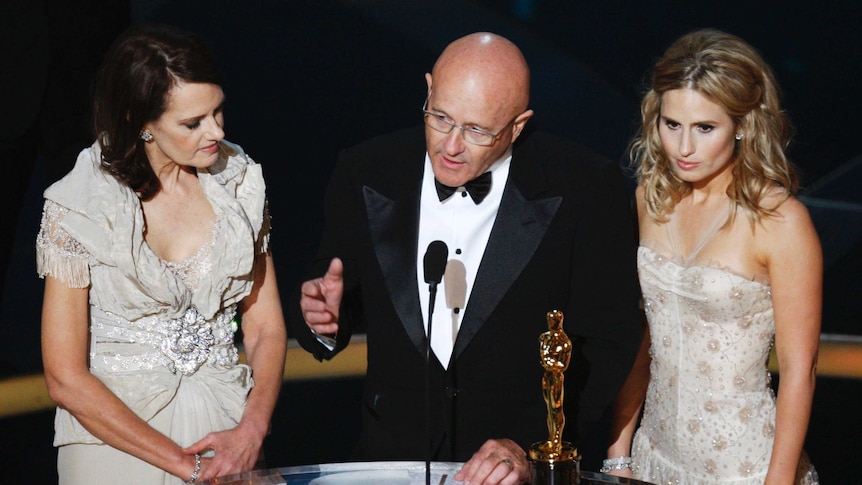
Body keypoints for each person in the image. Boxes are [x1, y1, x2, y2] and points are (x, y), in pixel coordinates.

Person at [292, 32, 643, 484]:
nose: (451, 145)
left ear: (518, 126)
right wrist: (321, 318)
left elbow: (606, 341)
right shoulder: (366, 170)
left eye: (477, 130)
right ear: (428, 89)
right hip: (390, 464)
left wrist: (529, 444)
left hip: (510, 474)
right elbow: (333, 295)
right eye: (439, 117)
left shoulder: (587, 188)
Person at [37, 23, 287, 484]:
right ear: (141, 123)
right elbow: (65, 376)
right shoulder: (80, 204)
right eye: (192, 123)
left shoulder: (239, 182)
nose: (216, 131)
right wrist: (184, 465)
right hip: (115, 447)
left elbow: (266, 326)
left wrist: (253, 428)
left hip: (226, 436)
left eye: (217, 111)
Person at [605, 29, 821, 484]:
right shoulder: (651, 197)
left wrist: (777, 482)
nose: (684, 148)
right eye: (672, 125)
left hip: (743, 466)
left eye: (705, 128)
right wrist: (619, 450)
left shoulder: (780, 220)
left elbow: (801, 371)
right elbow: (647, 335)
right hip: (653, 457)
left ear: (743, 125)